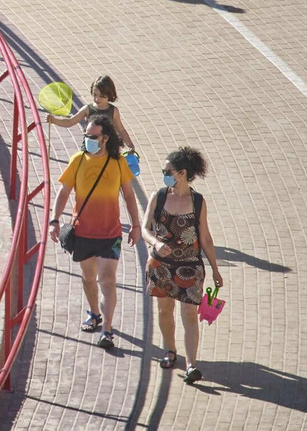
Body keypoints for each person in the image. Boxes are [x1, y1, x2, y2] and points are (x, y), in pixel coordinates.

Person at [50, 119, 141, 352]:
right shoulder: (78, 161)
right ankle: (94, 313)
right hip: (82, 232)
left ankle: (107, 330)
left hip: (110, 234)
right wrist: (54, 220)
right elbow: (63, 192)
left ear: (105, 138)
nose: (88, 140)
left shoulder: (118, 162)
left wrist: (136, 225)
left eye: (93, 136)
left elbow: (130, 196)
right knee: (89, 278)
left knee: (107, 280)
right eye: (86, 136)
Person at [144, 147, 222, 384]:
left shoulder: (197, 201)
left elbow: (205, 238)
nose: (164, 174)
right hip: (162, 266)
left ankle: (191, 365)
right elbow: (145, 227)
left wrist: (216, 270)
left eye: (168, 171)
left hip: (190, 267)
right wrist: (156, 243)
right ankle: (169, 350)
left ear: (182, 173)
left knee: (189, 314)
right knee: (164, 311)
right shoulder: (159, 197)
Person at [45, 74, 138, 155]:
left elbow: (121, 130)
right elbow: (71, 121)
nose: (97, 99)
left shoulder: (113, 111)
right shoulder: (88, 109)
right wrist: (54, 120)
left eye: (101, 96)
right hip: (89, 149)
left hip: (108, 149)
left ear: (109, 95)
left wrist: (130, 144)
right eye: (95, 95)